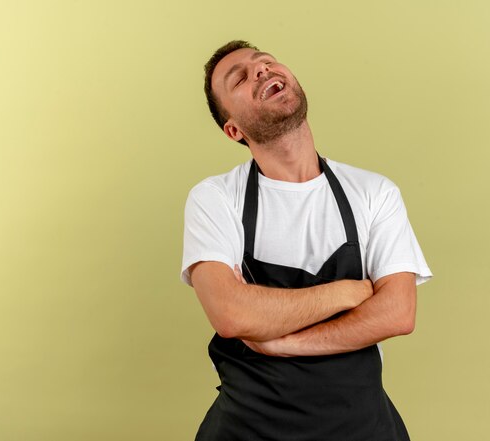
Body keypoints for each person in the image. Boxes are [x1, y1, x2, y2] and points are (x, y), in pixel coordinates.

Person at [181, 40, 433, 441]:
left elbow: (398, 313)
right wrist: (349, 293)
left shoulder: (373, 192)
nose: (261, 70)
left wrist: (283, 342)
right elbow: (231, 315)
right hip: (248, 430)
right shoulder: (215, 199)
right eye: (240, 78)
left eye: (265, 62)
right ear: (234, 130)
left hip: (364, 429)